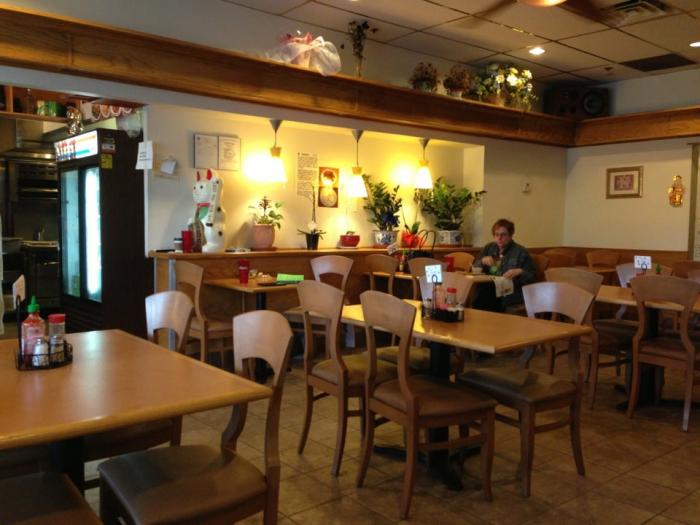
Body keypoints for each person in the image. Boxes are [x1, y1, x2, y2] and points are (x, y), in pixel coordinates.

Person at [472, 218, 535, 312]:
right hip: (489, 288)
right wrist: (482, 261)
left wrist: (520, 271)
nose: (499, 238)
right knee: (479, 290)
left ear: (511, 235)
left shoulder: (521, 252)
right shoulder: (489, 247)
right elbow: (474, 267)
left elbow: (531, 276)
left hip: (511, 293)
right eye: (496, 234)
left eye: (503, 234)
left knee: (484, 295)